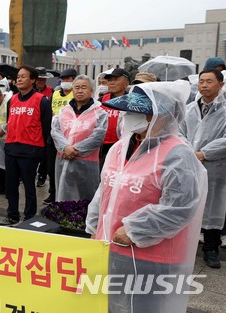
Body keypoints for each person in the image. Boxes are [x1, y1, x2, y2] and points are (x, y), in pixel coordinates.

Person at [86, 81, 206, 313]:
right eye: (128, 112)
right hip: (110, 246)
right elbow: (104, 190)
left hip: (151, 256)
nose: (128, 117)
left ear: (161, 116)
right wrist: (94, 226)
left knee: (142, 307)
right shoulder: (120, 147)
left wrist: (134, 229)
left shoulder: (178, 155)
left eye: (137, 112)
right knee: (111, 305)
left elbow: (180, 208)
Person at [179, 69, 226, 268]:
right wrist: (189, 152)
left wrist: (204, 153)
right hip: (189, 164)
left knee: (213, 206)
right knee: (187, 203)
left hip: (214, 165)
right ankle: (183, 247)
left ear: (221, 85)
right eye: (201, 81)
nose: (204, 85)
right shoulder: (189, 108)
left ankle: (211, 248)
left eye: (209, 81)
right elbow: (178, 131)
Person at [0, 65, 52, 226]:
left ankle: (29, 217)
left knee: (29, 187)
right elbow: (10, 122)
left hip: (31, 150)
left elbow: (46, 128)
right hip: (12, 148)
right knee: (11, 186)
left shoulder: (41, 100)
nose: (19, 79)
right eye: (18, 76)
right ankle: (12, 215)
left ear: (33, 80)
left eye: (23, 76)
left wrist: (43, 152)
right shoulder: (12, 99)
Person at [50, 75, 107, 201]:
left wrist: (74, 150)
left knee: (86, 197)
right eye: (77, 87)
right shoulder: (64, 111)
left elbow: (98, 137)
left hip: (86, 162)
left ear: (91, 90)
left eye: (84, 87)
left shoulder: (99, 112)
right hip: (62, 159)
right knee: (63, 194)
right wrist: (65, 147)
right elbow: (56, 131)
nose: (80, 91)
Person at [42, 68, 78, 203]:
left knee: (69, 168)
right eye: (63, 79)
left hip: (70, 136)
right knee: (52, 168)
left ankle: (68, 194)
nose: (66, 82)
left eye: (69, 79)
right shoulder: (56, 94)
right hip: (54, 136)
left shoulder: (76, 93)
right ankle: (53, 192)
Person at [99, 68, 130, 169]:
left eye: (116, 79)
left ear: (126, 83)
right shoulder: (102, 100)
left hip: (123, 147)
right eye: (110, 80)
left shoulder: (132, 101)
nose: (111, 83)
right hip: (102, 147)